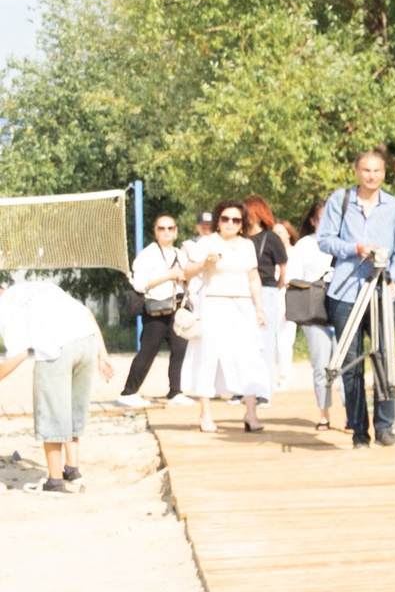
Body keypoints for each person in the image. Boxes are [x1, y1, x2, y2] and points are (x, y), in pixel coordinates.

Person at [314, 150, 395, 448]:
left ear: (384, 173)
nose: (372, 176)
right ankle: (359, 431)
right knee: (351, 363)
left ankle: (385, 427)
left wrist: (393, 274)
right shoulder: (340, 200)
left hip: (381, 293)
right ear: (357, 171)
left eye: (377, 170)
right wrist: (355, 249)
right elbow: (324, 240)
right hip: (346, 291)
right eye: (366, 170)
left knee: (385, 358)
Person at [0, 276, 113, 493]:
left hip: (57, 348)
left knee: (51, 412)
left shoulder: (5, 307)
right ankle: (72, 469)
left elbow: (18, 354)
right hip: (87, 341)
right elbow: (87, 314)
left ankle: (54, 481)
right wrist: (103, 354)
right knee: (72, 408)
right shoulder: (38, 286)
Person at [179, 202, 273, 434]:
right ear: (218, 221)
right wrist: (204, 263)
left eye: (236, 220)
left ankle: (251, 413)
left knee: (248, 356)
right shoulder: (207, 242)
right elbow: (187, 271)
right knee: (209, 356)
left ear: (242, 224)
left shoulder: (247, 245)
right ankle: (205, 414)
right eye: (225, 218)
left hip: (243, 304)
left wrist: (259, 309)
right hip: (214, 302)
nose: (230, 223)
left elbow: (254, 278)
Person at [118, 212, 189, 408]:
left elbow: (189, 278)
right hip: (155, 310)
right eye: (162, 228)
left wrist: (184, 278)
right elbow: (139, 285)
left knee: (180, 349)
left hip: (176, 308)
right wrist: (167, 276)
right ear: (155, 231)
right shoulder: (147, 255)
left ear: (175, 231)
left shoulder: (179, 254)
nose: (166, 232)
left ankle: (175, 391)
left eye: (170, 228)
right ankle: (128, 392)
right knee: (148, 352)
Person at [283, 205, 337, 428]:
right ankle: (324, 413)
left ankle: (352, 415)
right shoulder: (305, 245)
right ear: (313, 221)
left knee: (347, 362)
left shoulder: (343, 243)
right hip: (313, 310)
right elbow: (292, 278)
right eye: (322, 218)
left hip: (341, 307)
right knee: (321, 362)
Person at [244, 197, 289, 385]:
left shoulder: (271, 238)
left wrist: (277, 287)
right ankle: (244, 388)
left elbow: (283, 268)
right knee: (244, 340)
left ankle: (264, 388)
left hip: (267, 290)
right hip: (243, 291)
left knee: (266, 340)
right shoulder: (240, 238)